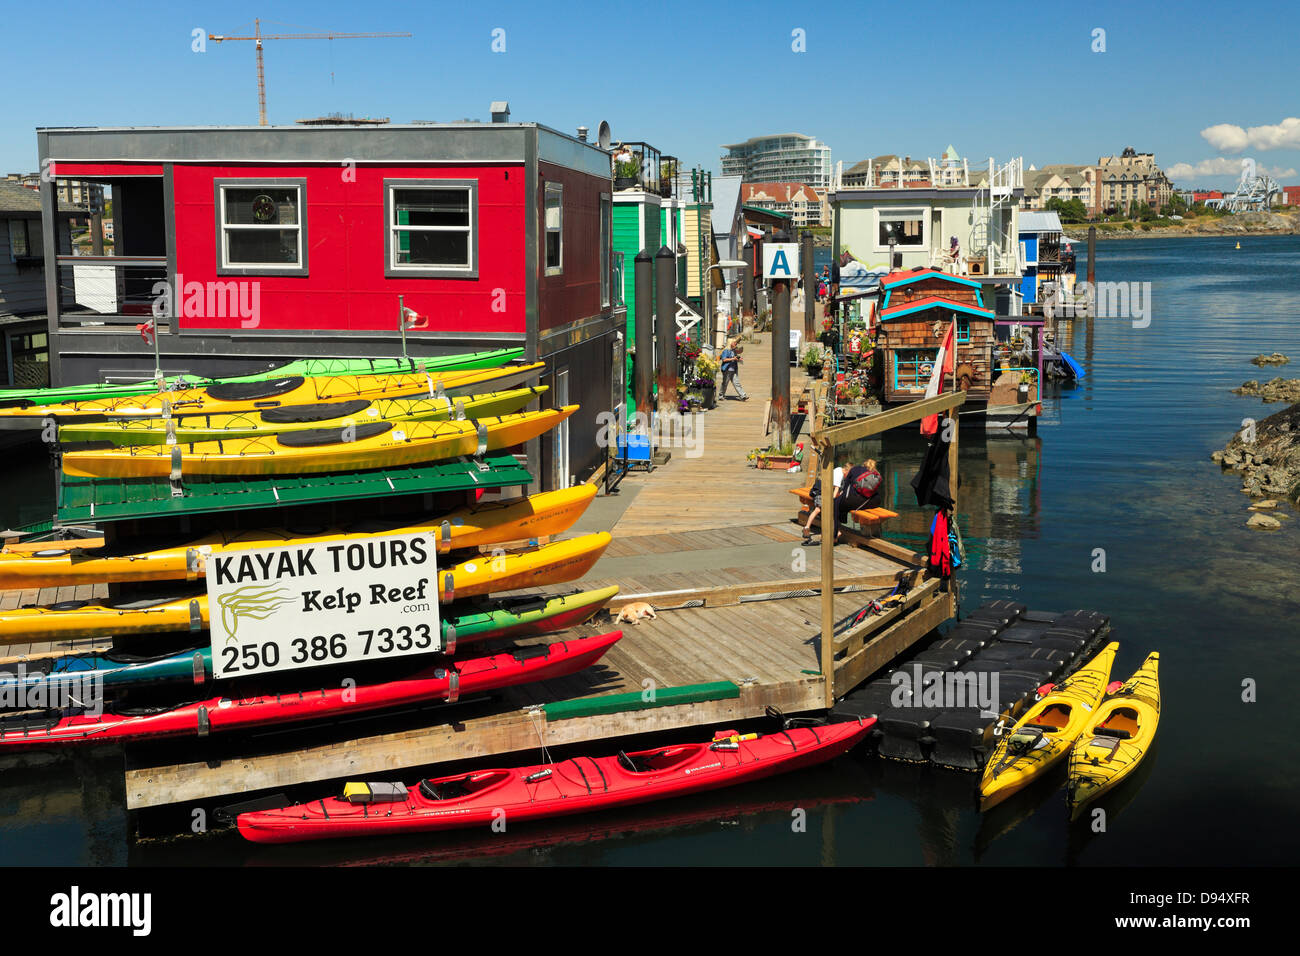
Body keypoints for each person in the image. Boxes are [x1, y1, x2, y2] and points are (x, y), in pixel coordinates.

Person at [801, 462, 844, 544]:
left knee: (820, 511)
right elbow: (836, 489)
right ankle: (809, 528)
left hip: (820, 490)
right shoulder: (840, 474)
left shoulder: (837, 469)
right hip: (822, 491)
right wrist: (833, 499)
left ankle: (807, 527)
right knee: (819, 510)